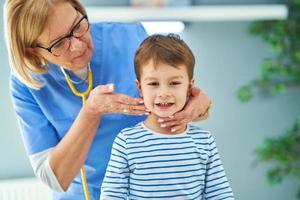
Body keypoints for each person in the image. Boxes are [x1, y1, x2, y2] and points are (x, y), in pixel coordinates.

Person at [4, 0, 211, 199]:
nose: (77, 46)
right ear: (32, 51)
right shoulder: (27, 83)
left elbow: (177, 103)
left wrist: (200, 107)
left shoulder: (130, 38)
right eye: (58, 44)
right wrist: (91, 112)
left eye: (77, 26)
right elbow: (55, 179)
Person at [100, 34, 233, 200]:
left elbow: (220, 195)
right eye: (153, 84)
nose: (164, 93)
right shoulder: (127, 142)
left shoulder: (204, 141)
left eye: (174, 83)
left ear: (189, 87)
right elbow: (112, 195)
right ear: (140, 88)